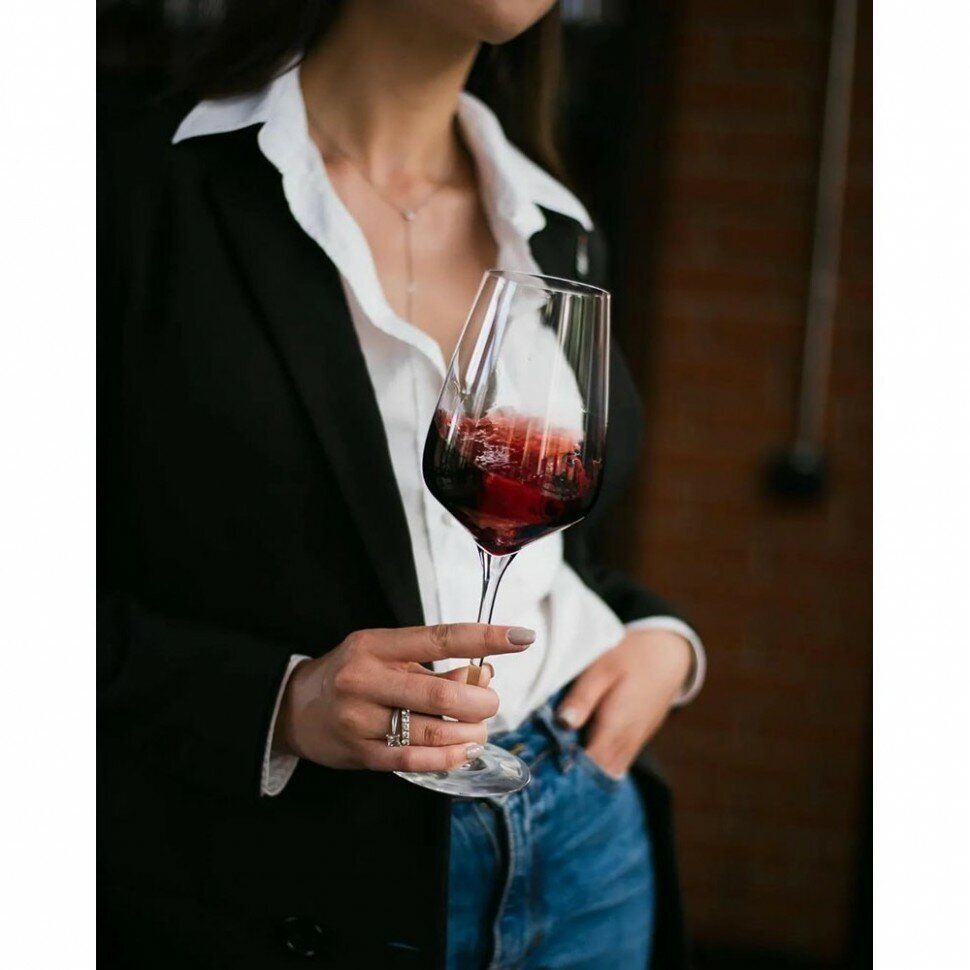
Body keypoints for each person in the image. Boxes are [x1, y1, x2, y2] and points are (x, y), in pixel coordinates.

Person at [98, 2, 706, 967]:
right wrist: (279, 703)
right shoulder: (126, 186)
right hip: (284, 887)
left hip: (583, 838)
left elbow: (545, 543)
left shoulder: (559, 222)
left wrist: (658, 635)